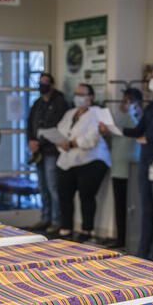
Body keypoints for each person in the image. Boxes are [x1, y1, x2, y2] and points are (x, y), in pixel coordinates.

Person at [102, 64, 153, 259]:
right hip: (145, 159)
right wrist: (114, 129)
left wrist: (150, 138)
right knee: (145, 208)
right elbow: (139, 130)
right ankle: (143, 252)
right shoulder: (152, 105)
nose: (152, 81)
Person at [56, 83, 111, 242]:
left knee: (86, 196)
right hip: (68, 159)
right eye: (77, 93)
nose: (78, 97)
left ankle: (86, 230)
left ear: (91, 97)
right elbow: (60, 130)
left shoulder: (97, 113)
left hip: (91, 159)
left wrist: (73, 143)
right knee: (64, 194)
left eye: (82, 94)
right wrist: (61, 142)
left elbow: (92, 138)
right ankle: (65, 228)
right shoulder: (70, 113)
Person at [26, 72, 68, 233]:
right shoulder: (37, 103)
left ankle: (56, 219)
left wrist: (40, 141)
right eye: (40, 82)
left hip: (51, 150)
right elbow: (30, 124)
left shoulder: (60, 102)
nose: (42, 85)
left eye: (45, 82)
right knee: (42, 186)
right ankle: (45, 217)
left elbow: (55, 127)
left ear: (51, 84)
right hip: (38, 151)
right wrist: (31, 141)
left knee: (52, 186)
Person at [104, 87, 142, 248]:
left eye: (129, 101)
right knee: (119, 205)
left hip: (129, 169)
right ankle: (120, 238)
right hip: (118, 168)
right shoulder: (121, 120)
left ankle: (127, 240)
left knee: (127, 207)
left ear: (137, 104)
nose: (125, 104)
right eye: (124, 101)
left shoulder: (133, 120)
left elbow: (132, 133)